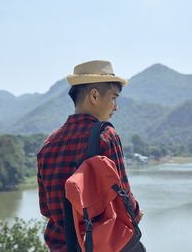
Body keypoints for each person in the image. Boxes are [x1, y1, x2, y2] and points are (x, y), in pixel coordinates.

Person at [37, 60, 142, 251]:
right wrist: (137, 213)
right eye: (113, 98)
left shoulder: (47, 146)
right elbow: (124, 195)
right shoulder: (106, 135)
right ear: (94, 96)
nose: (115, 106)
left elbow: (46, 209)